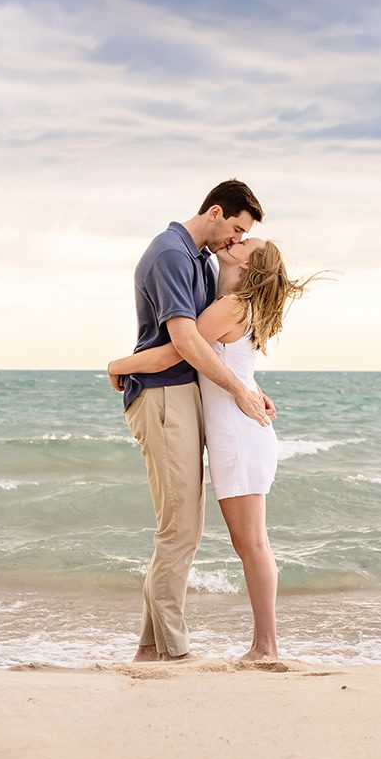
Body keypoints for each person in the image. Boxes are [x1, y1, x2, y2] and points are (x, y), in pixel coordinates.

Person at [109, 237, 319, 663]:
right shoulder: (240, 306)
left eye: (246, 242)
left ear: (248, 263)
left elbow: (176, 352)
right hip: (239, 433)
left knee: (252, 545)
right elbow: (234, 366)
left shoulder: (231, 306)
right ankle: (261, 646)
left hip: (239, 438)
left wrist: (117, 366)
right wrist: (252, 389)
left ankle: (265, 648)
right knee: (252, 544)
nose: (236, 241)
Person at [112, 180, 274, 664]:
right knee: (179, 529)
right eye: (237, 229)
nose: (235, 240)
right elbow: (185, 341)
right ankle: (173, 651)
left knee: (182, 526)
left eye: (244, 237)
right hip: (164, 397)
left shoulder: (199, 259)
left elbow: (216, 343)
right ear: (217, 212)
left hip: (182, 396)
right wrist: (119, 364)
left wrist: (251, 388)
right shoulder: (171, 254)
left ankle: (149, 649)